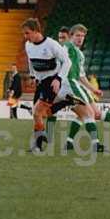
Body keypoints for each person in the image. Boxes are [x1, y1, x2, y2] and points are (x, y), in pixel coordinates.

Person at [57, 24, 110, 151]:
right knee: (89, 114)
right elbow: (59, 56)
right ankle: (95, 145)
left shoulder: (80, 54)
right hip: (68, 84)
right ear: (71, 36)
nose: (80, 38)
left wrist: (93, 89)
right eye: (77, 35)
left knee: (92, 113)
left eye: (82, 36)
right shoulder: (68, 47)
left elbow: (81, 76)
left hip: (76, 84)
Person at [22, 18, 72, 152]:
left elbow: (67, 62)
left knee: (37, 112)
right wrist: (32, 75)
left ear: (36, 31)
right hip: (40, 82)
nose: (25, 37)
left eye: (27, 33)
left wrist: (59, 79)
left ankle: (39, 141)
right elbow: (30, 61)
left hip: (52, 81)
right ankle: (38, 145)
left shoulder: (51, 44)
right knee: (38, 114)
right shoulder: (28, 45)